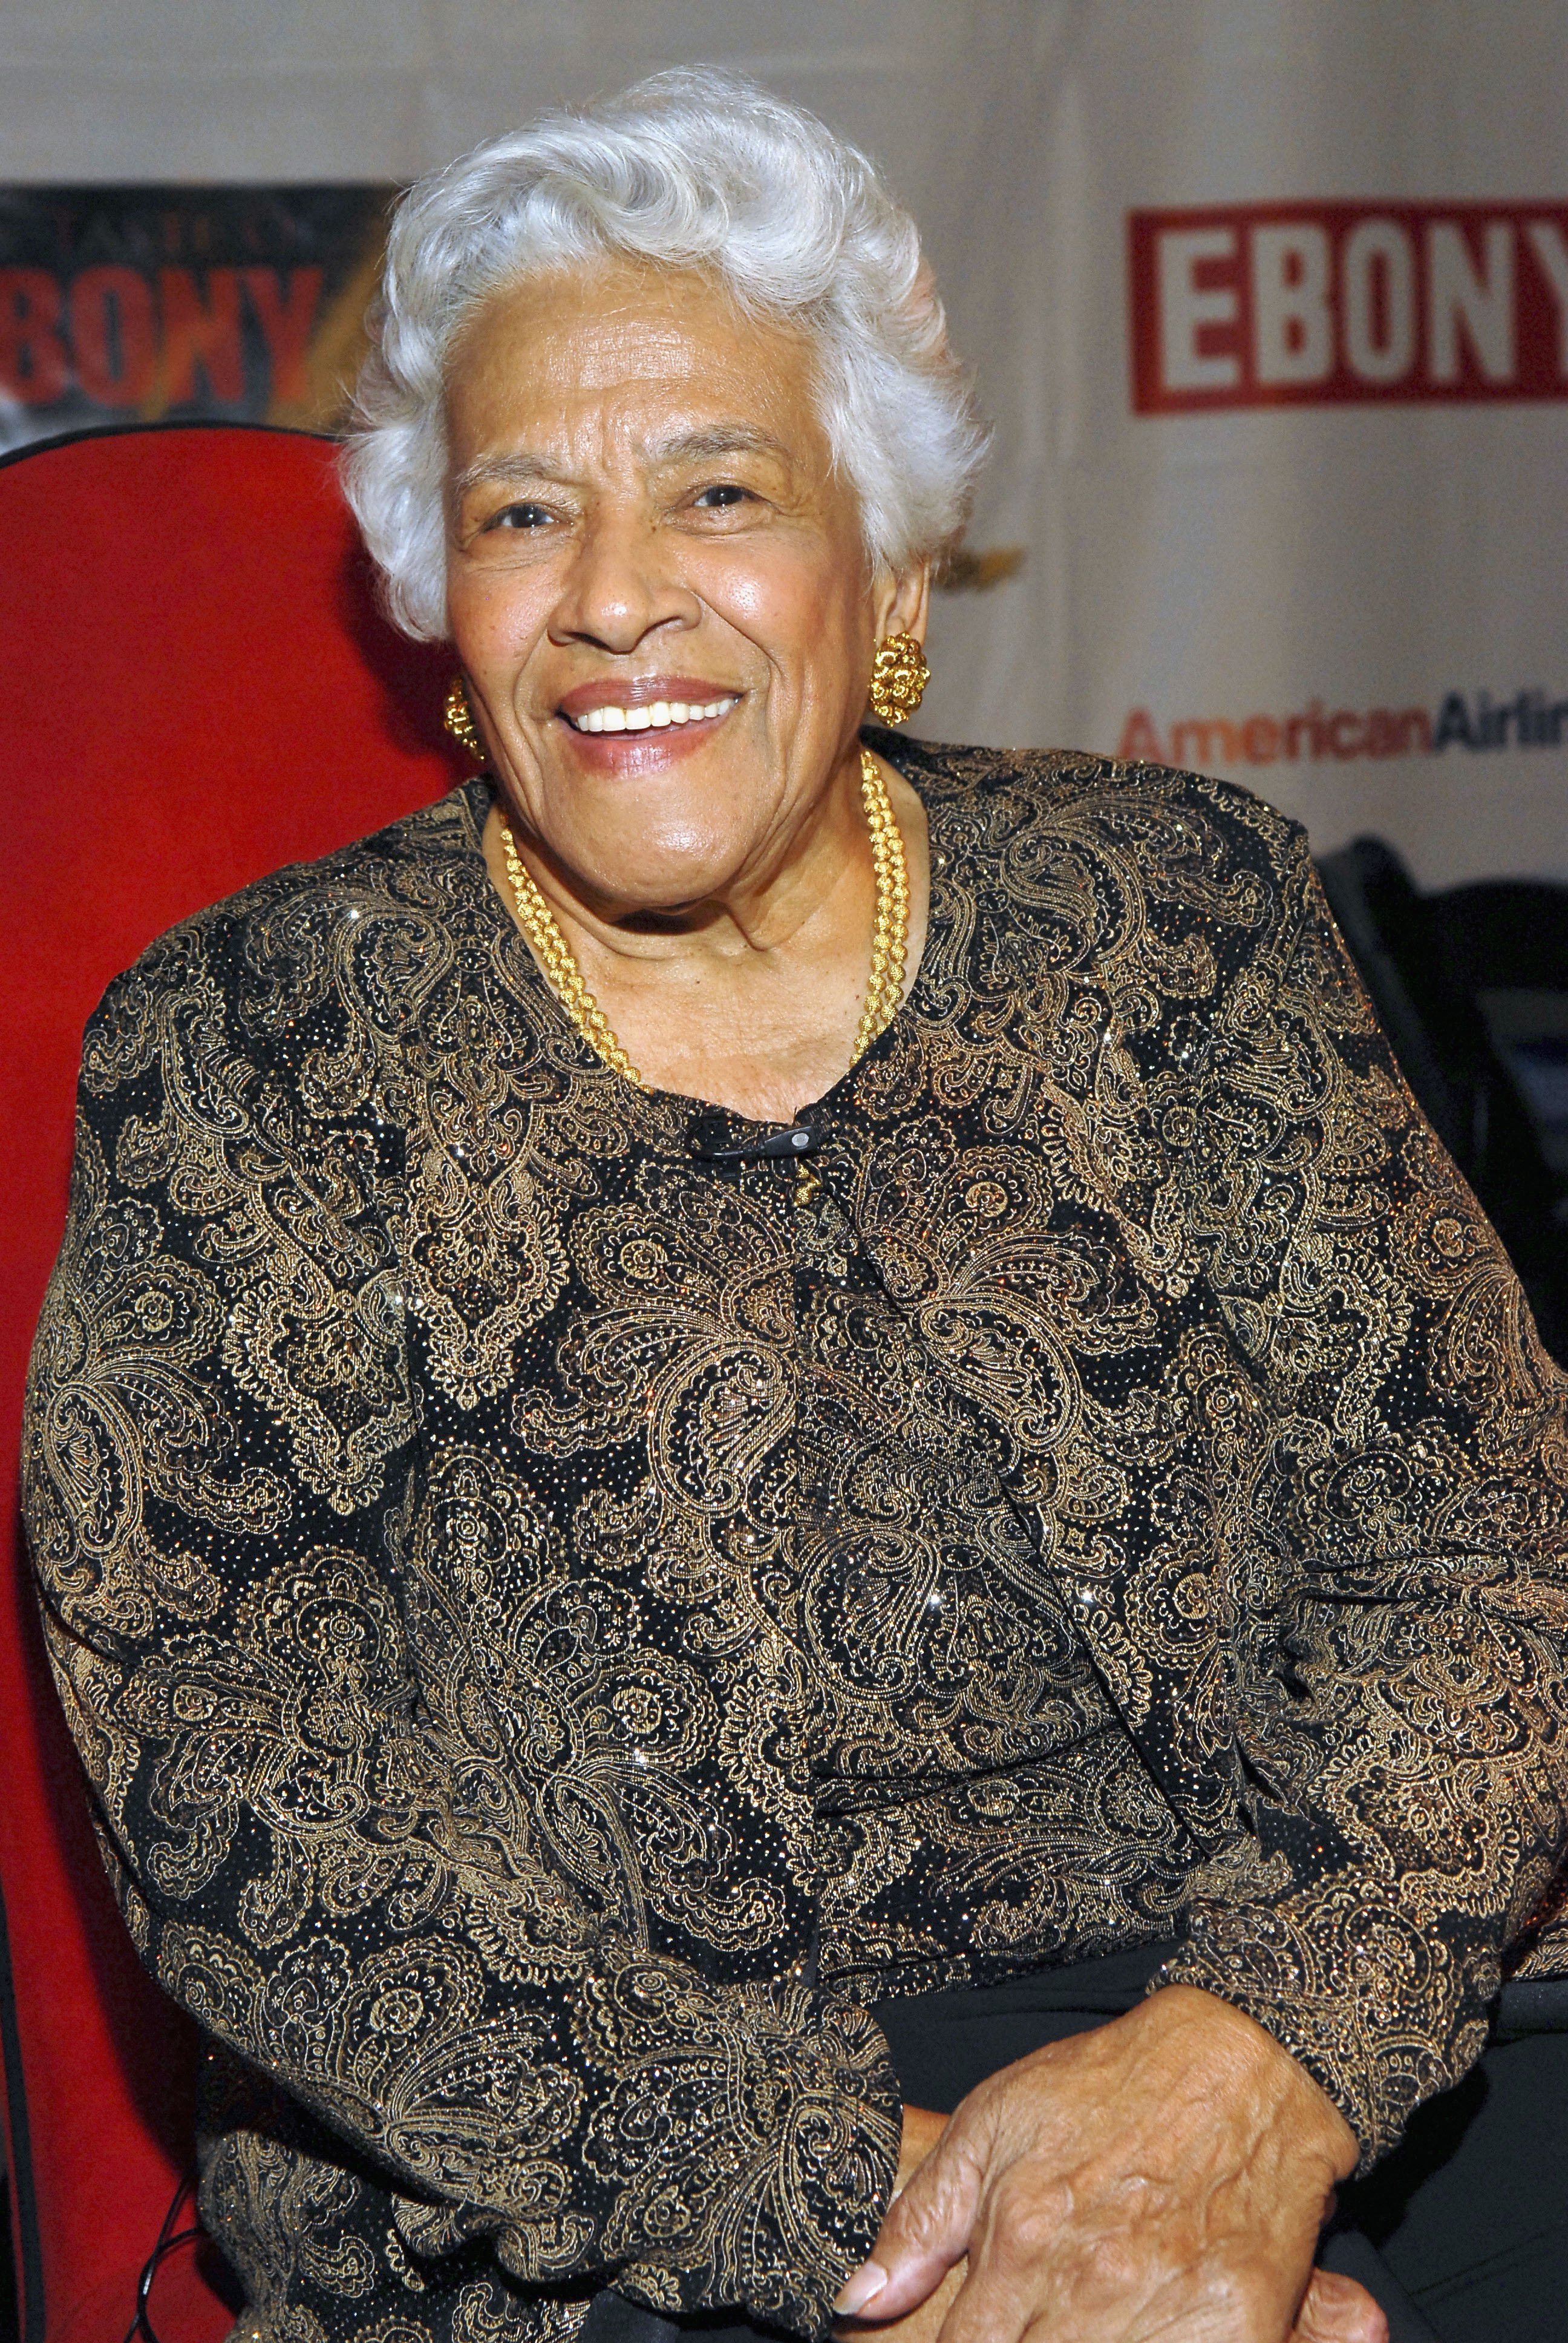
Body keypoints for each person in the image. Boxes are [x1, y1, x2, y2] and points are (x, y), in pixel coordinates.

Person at [22, 68, 1568, 2343]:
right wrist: (922, 2233)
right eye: (527, 515)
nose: (618, 600)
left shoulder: (1177, 911)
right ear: (445, 601)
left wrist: (1249, 2084)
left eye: (717, 490)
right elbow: (251, 1819)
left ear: (892, 557)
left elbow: (1485, 1537)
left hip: (1298, 2035)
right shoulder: (241, 1058)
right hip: (607, 2203)